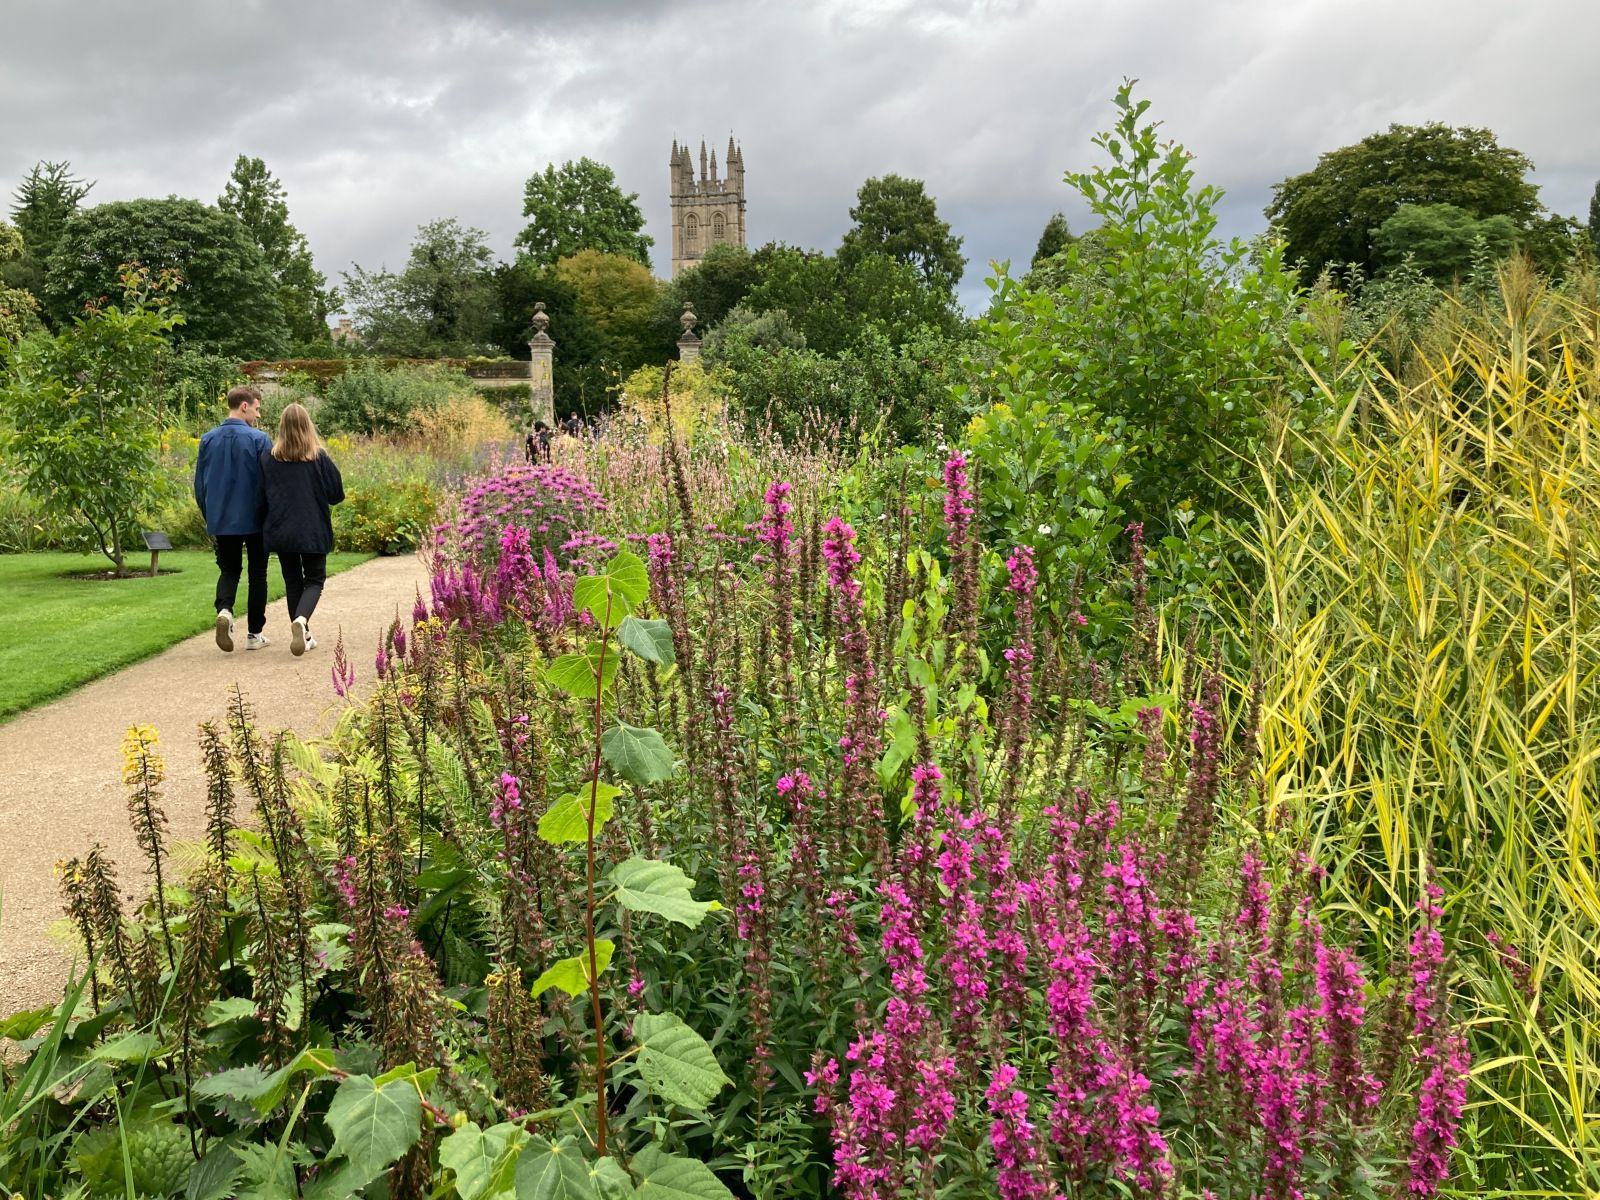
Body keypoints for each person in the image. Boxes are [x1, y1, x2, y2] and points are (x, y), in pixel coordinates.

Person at [257, 403, 344, 657]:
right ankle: (302, 620)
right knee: (315, 579)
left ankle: (303, 632)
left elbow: (261, 496)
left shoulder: (268, 458)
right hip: (312, 527)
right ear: (308, 426)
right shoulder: (318, 458)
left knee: (293, 580)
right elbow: (336, 494)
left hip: (282, 527)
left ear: (281, 427)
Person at [194, 385, 273, 651]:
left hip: (221, 516)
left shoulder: (207, 439)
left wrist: (210, 514)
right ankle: (254, 634)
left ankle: (225, 610)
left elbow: (200, 486)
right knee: (258, 573)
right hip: (255, 517)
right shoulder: (259, 440)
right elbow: (268, 482)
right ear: (244, 406)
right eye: (257, 408)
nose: (258, 415)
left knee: (229, 569)